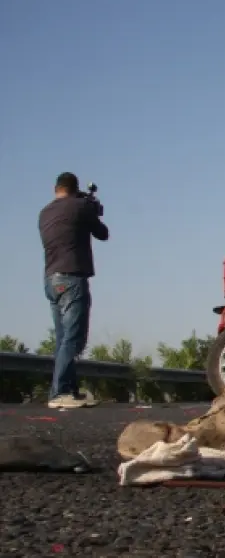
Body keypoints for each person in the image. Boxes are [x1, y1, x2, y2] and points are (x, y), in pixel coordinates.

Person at [38, 172, 109, 408]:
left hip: (51, 279)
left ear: (56, 188)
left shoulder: (44, 213)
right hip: (71, 278)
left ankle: (67, 390)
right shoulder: (80, 207)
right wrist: (91, 210)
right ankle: (60, 392)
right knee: (74, 338)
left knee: (63, 339)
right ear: (75, 188)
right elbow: (103, 233)